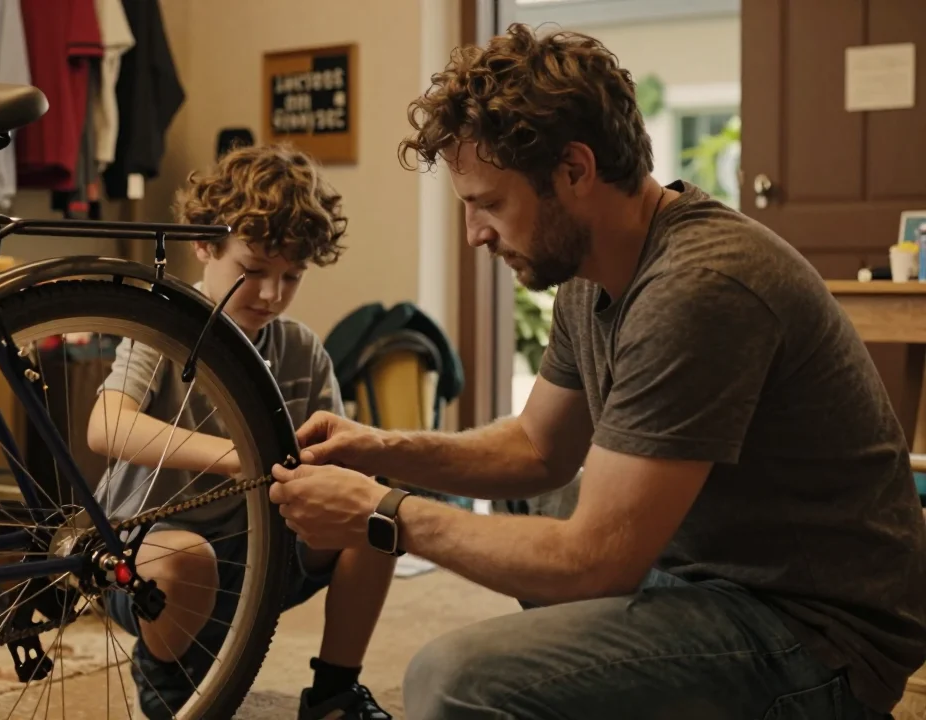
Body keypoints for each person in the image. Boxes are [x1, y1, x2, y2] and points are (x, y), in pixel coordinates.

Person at [268, 23, 926, 720]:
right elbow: (536, 449)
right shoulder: (590, 269)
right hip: (707, 571)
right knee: (530, 502)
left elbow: (596, 561)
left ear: (575, 171)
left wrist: (382, 513)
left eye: (489, 203)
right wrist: (380, 449)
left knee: (452, 678)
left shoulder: (700, 285)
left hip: (816, 634)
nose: (476, 235)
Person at [87, 143, 398, 719]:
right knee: (190, 562)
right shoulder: (167, 325)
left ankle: (334, 692)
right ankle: (169, 689)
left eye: (291, 277)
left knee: (379, 516)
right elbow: (106, 426)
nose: (271, 294)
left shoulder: (301, 348)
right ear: (205, 245)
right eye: (252, 271)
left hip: (261, 546)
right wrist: (242, 455)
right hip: (150, 548)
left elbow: (336, 467)